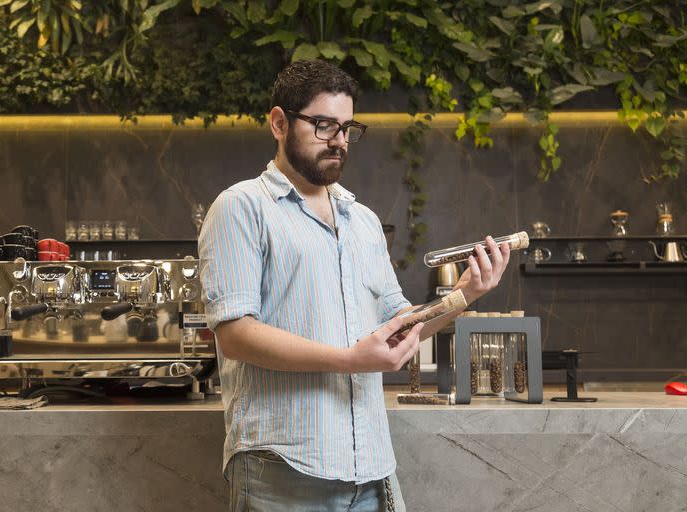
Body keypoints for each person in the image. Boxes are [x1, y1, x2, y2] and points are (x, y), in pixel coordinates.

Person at [198, 59, 511, 511]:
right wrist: (349, 360)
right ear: (279, 122)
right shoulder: (241, 208)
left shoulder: (362, 221)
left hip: (370, 471)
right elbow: (235, 336)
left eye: (347, 128)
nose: (340, 141)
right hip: (283, 469)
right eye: (324, 125)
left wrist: (465, 294)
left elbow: (400, 326)